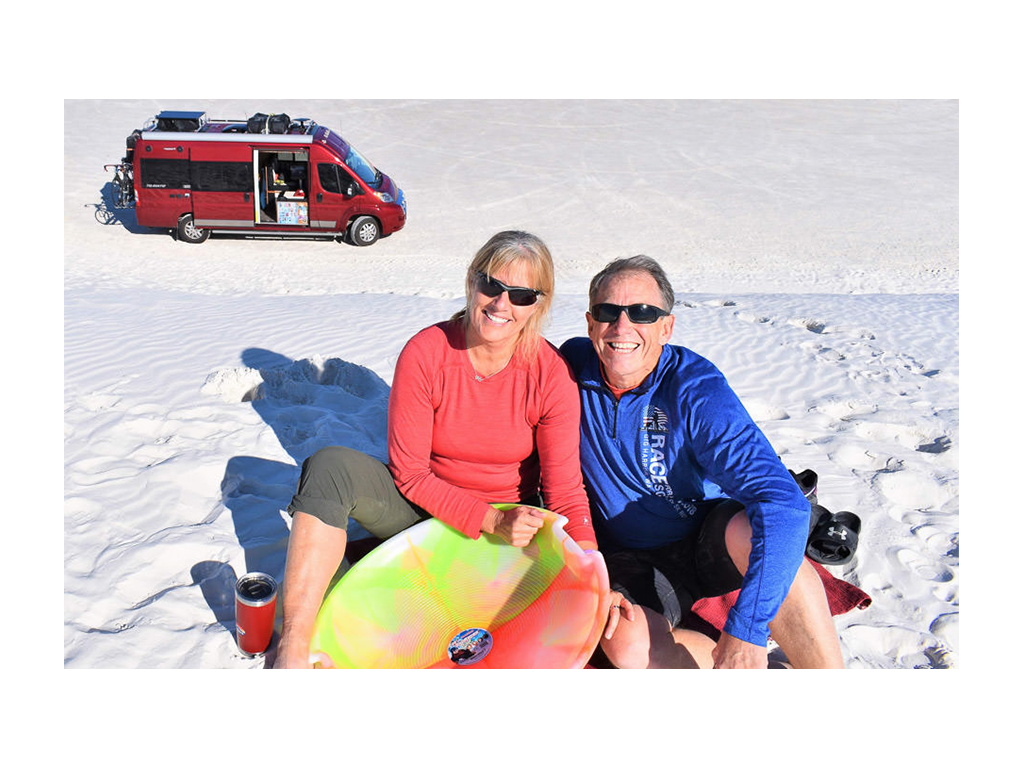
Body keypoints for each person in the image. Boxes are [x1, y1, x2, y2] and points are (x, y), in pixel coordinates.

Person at [274, 230, 605, 668]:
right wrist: (486, 518)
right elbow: (410, 473)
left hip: (505, 536)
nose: (501, 304)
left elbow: (564, 490)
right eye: (492, 285)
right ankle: (294, 645)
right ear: (472, 281)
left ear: (539, 304)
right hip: (427, 510)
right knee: (330, 467)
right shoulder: (427, 352)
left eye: (521, 294)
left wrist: (593, 572)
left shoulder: (549, 374)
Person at [559, 255, 844, 669]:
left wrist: (746, 628)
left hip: (708, 533)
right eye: (608, 312)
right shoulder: (569, 367)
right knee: (624, 642)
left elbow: (784, 504)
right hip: (631, 554)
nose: (622, 327)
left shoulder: (694, 388)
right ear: (590, 324)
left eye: (642, 312)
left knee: (761, 530)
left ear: (666, 327)